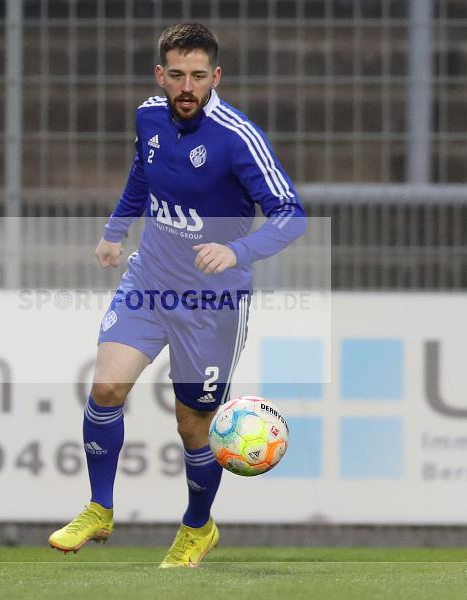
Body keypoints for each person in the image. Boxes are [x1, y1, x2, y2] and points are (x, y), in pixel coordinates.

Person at [48, 23, 306, 568]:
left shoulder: (238, 138)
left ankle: (197, 527)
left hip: (212, 305)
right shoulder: (148, 116)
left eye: (198, 76)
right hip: (149, 282)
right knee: (107, 387)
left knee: (193, 426)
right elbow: (143, 173)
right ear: (160, 75)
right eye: (177, 75)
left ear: (216, 77)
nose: (187, 87)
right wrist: (116, 230)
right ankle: (99, 508)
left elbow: (291, 214)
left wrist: (238, 251)